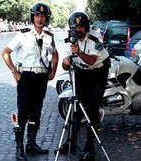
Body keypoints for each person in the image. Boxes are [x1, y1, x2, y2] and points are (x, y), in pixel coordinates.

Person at [1, 2, 58, 160]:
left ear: (46, 18)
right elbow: (5, 53)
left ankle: (31, 144)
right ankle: (19, 148)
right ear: (32, 17)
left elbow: (55, 54)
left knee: (36, 112)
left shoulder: (49, 36)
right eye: (37, 16)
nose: (40, 19)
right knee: (23, 112)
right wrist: (14, 72)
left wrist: (53, 71)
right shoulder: (23, 34)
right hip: (26, 77)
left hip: (41, 78)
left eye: (43, 16)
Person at [54, 11, 110, 160]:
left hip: (98, 71)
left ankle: (89, 146)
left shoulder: (95, 37)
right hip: (81, 72)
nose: (78, 30)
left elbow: (91, 61)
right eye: (75, 27)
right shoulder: (70, 40)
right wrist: (65, 63)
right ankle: (70, 142)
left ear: (87, 27)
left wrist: (78, 52)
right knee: (76, 108)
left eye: (81, 27)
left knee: (92, 108)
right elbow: (66, 65)